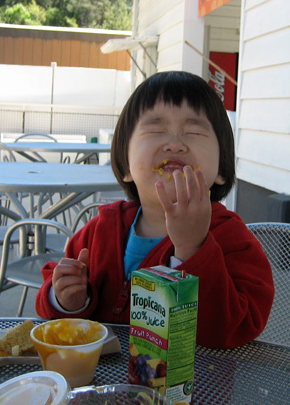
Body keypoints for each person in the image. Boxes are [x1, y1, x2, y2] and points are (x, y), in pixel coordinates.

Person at [35, 71, 274, 349]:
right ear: (126, 165)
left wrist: (192, 249)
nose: (174, 143)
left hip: (190, 389)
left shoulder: (231, 238)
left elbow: (236, 328)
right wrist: (66, 300)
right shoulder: (97, 232)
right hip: (101, 386)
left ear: (221, 169)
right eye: (155, 130)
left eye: (194, 131)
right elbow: (54, 310)